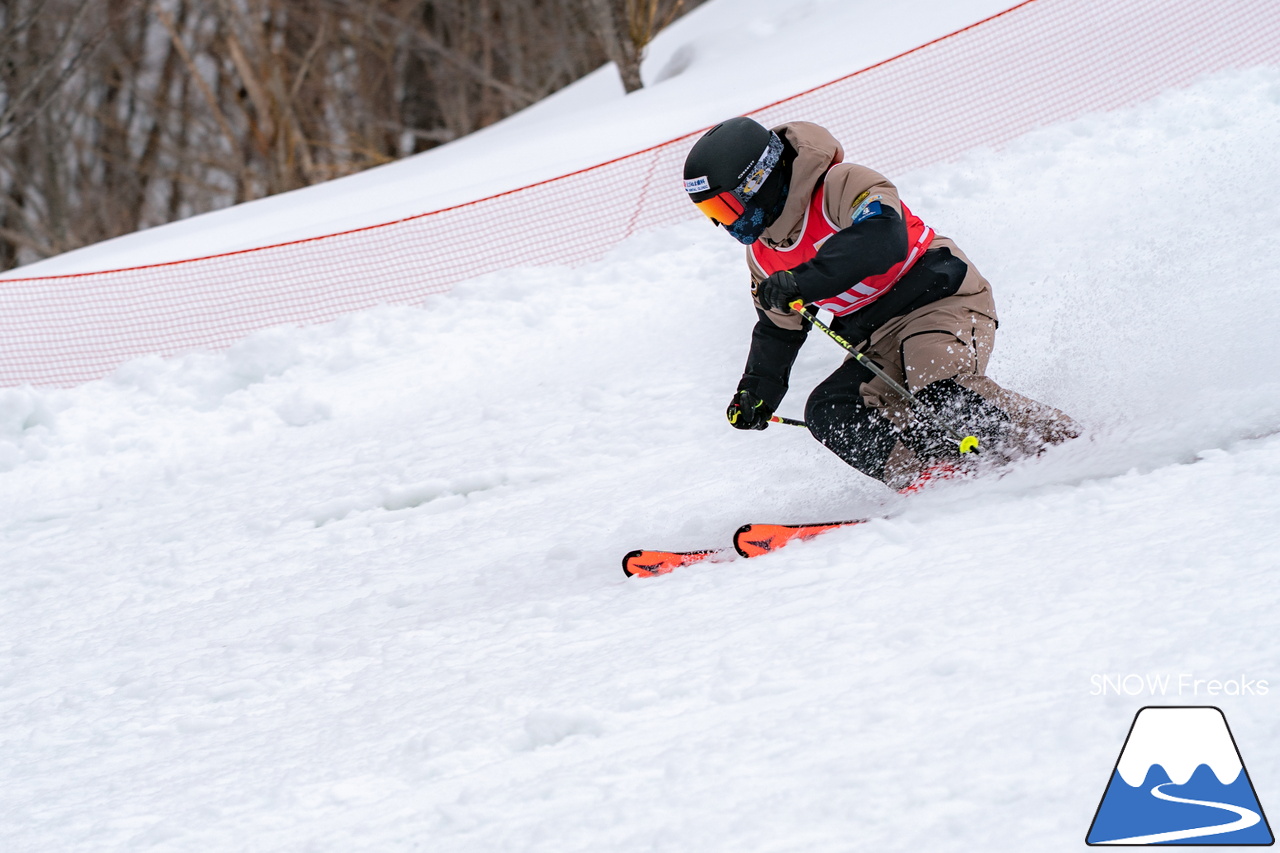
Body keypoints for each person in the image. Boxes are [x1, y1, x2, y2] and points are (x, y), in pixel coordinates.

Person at [682, 117, 1078, 492]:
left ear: (760, 180)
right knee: (829, 410)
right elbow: (777, 330)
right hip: (878, 341)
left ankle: (1060, 443)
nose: (727, 224)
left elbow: (882, 239)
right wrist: (757, 392)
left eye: (727, 207)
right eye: (712, 213)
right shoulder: (764, 255)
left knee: (938, 388)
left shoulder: (841, 184)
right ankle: (932, 477)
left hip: (941, 302)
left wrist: (804, 280)